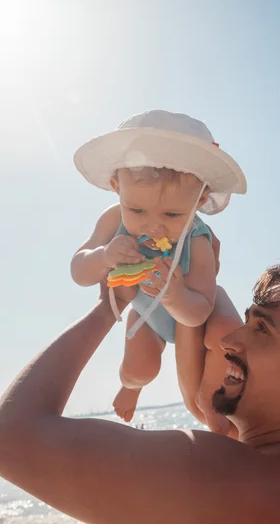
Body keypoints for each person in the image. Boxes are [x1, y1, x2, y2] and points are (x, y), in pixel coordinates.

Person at [0, 259, 280, 524]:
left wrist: (110, 305)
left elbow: (11, 436)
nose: (231, 341)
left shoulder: (226, 476)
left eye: (262, 329)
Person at [71, 109, 246, 432]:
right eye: (136, 209)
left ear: (199, 200)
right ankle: (131, 386)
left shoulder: (197, 240)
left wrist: (175, 294)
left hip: (198, 305)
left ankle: (218, 412)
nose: (153, 225)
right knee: (141, 369)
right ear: (116, 187)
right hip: (146, 316)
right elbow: (79, 271)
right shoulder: (114, 221)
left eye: (172, 213)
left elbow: (197, 311)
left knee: (226, 335)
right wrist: (104, 256)